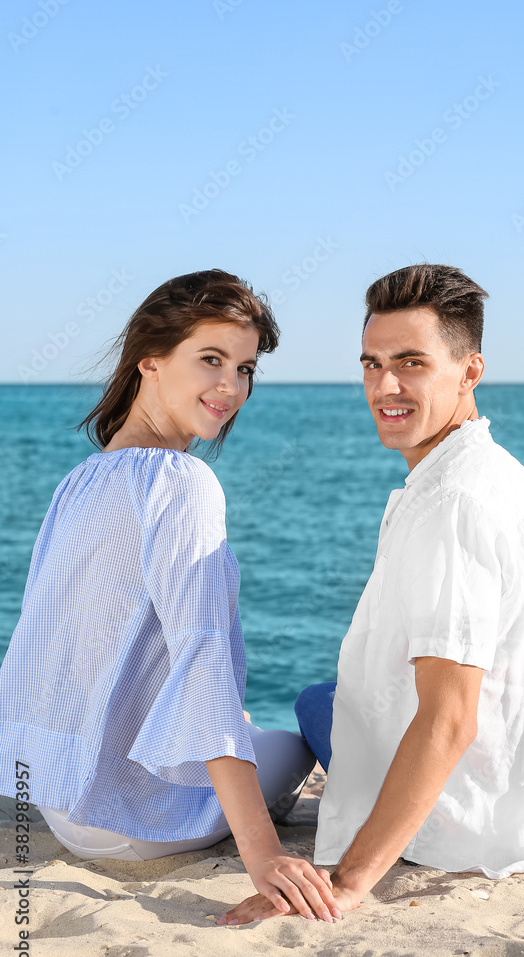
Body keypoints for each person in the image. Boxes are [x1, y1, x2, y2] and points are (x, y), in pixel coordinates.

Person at [221, 263, 524, 925]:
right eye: (371, 363)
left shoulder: (453, 503)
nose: (384, 386)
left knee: (316, 706)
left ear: (469, 372)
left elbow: (449, 721)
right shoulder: (486, 467)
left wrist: (350, 882)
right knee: (337, 700)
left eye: (410, 363)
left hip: (486, 827)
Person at [0, 269, 340, 923]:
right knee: (300, 737)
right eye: (210, 359)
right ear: (148, 360)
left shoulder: (81, 480)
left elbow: (52, 648)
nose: (229, 387)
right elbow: (202, 662)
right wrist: (264, 855)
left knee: (238, 725)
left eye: (243, 368)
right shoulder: (183, 483)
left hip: (61, 801)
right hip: (141, 821)